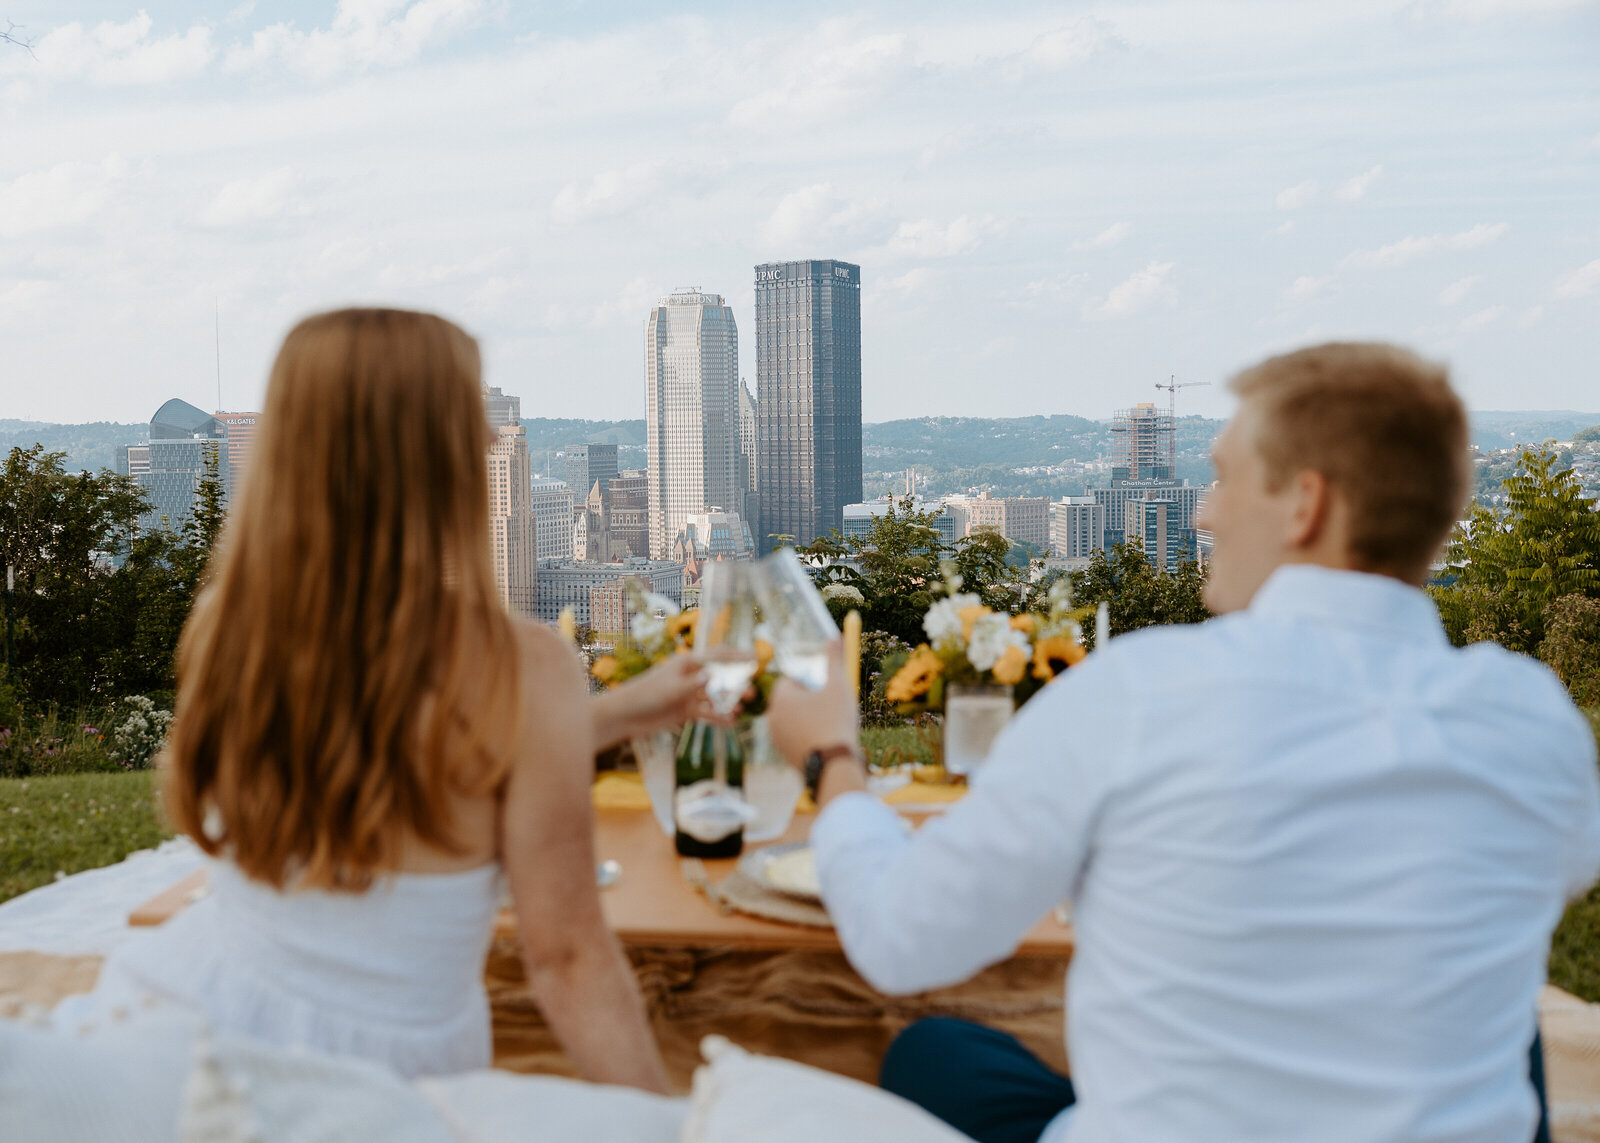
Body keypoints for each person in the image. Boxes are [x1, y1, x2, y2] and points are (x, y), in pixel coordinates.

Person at [767, 343, 1600, 1143]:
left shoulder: (1139, 692)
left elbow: (901, 937)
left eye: (1224, 476)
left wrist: (834, 756)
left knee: (934, 1053)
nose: (1202, 509)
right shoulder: (1532, 718)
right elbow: (1560, 870)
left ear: (1306, 505)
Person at [58, 308, 698, 1088]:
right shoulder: (521, 666)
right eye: (472, 419)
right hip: (388, 1082)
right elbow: (565, 956)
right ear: (429, 454)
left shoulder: (238, 628)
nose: (492, 442)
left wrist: (627, 710)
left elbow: (401, 753)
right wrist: (669, 1121)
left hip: (188, 1027)